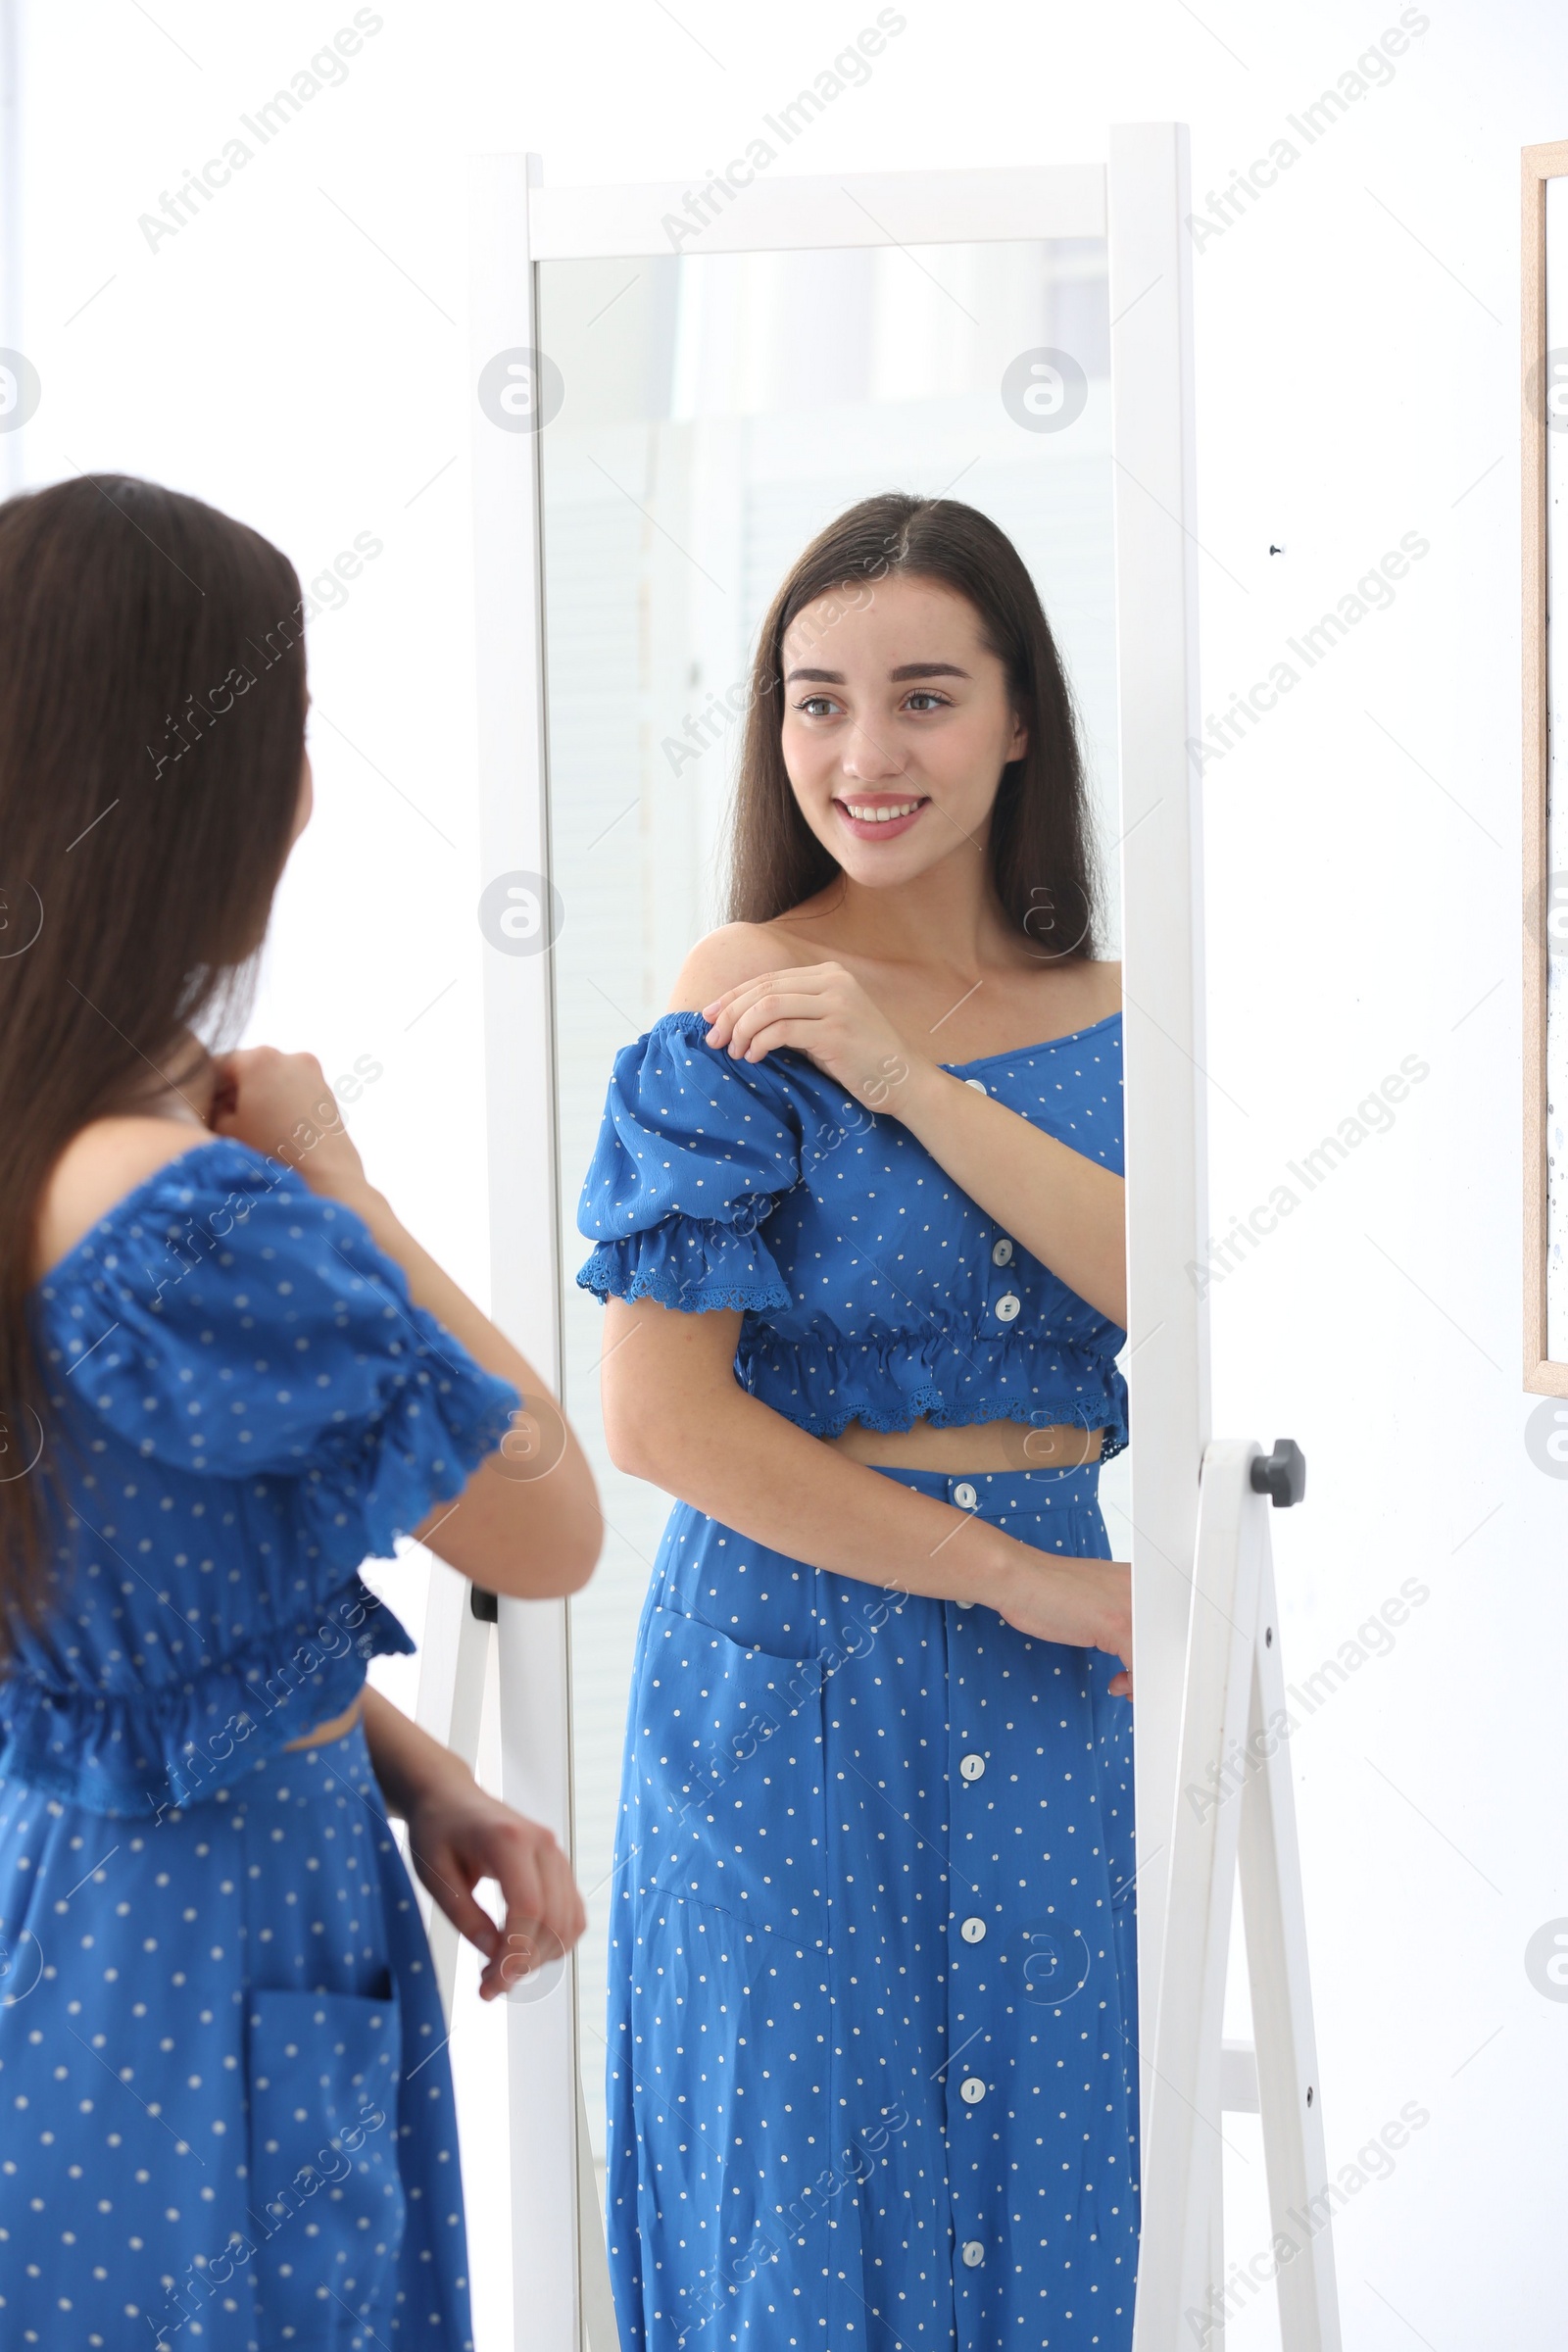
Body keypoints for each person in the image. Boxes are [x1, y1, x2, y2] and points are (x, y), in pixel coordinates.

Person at [0, 474, 603, 2349]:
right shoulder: (194, 1219)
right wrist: (342, 1172)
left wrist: (410, 1769)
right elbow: (548, 1521)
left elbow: (111, 1632)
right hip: (207, 1975)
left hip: (58, 1921)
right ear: (217, 796)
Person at [576, 492, 1138, 2349]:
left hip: (1067, 1674)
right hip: (786, 1674)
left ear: (1018, 714)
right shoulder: (736, 994)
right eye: (816, 702)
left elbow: (1170, 1293)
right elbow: (661, 1423)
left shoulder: (1135, 1016)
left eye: (921, 695)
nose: (863, 754)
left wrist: (905, 1077)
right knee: (802, 2217)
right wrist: (1012, 1581)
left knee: (1054, 2187)